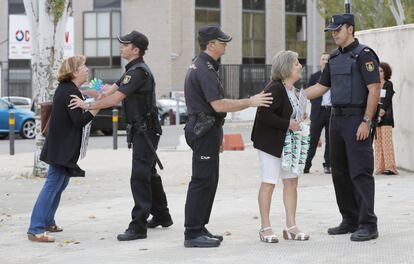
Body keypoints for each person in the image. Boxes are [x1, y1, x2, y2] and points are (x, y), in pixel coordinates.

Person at [69, 31, 173, 241]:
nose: (121, 47)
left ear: (135, 49)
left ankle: (138, 226)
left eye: (125, 44)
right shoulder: (132, 70)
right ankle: (162, 215)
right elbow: (108, 91)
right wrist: (87, 88)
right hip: (142, 129)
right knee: (149, 173)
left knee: (140, 175)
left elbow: (114, 99)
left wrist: (87, 105)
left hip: (146, 129)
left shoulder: (138, 72)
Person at [183, 24, 273, 248]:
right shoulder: (204, 68)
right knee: (202, 181)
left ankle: (199, 226)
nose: (225, 46)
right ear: (211, 45)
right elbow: (218, 104)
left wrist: (218, 135)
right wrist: (250, 101)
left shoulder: (206, 66)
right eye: (222, 42)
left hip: (208, 129)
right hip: (202, 130)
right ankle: (192, 233)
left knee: (209, 180)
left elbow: (213, 109)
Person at [304, 13, 380, 242]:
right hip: (335, 120)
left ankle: (368, 224)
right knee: (339, 173)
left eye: (338, 29)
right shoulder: (335, 57)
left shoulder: (364, 55)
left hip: (357, 119)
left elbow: (374, 89)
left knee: (360, 172)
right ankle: (349, 219)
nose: (334, 33)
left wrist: (367, 121)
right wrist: (293, 96)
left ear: (350, 29)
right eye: (332, 30)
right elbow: (320, 87)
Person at [28, 55, 100, 242]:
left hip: (62, 147)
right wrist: (96, 108)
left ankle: (48, 222)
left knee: (60, 184)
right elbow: (79, 121)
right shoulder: (69, 92)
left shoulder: (70, 89)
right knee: (53, 184)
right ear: (74, 71)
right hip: (61, 148)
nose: (87, 69)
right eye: (83, 66)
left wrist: (94, 98)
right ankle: (35, 228)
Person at [251, 50, 310, 243]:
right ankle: (265, 228)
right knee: (269, 183)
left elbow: (288, 114)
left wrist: (299, 119)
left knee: (291, 182)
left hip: (288, 145)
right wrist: (288, 124)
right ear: (286, 68)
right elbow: (263, 115)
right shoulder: (274, 88)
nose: (300, 66)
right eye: (296, 63)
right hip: (270, 144)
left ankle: (291, 226)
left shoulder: (293, 90)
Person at [304, 53, 332, 174]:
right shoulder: (314, 76)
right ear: (320, 62)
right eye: (323, 59)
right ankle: (306, 165)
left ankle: (328, 165)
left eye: (327, 59)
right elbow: (309, 92)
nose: (325, 61)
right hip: (318, 112)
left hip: (331, 111)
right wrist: (315, 104)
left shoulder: (334, 75)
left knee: (330, 141)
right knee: (313, 139)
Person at [374, 62, 398, 175]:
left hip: (386, 118)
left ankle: (391, 168)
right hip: (375, 118)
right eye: (377, 71)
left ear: (386, 72)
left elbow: (387, 100)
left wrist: (381, 113)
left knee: (387, 143)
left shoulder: (388, 84)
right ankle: (380, 167)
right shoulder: (374, 85)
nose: (379, 73)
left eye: (381, 71)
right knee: (377, 144)